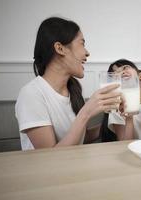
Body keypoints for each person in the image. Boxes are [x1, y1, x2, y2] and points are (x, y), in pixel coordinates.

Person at [15, 17, 121, 150]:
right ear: (60, 48)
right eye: (82, 43)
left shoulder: (73, 90)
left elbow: (79, 137)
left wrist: (113, 124)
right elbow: (48, 157)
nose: (87, 52)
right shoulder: (31, 94)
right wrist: (86, 112)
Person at [101, 59, 141, 141]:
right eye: (116, 73)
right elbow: (124, 144)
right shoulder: (117, 110)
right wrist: (129, 118)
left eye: (125, 68)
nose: (122, 72)